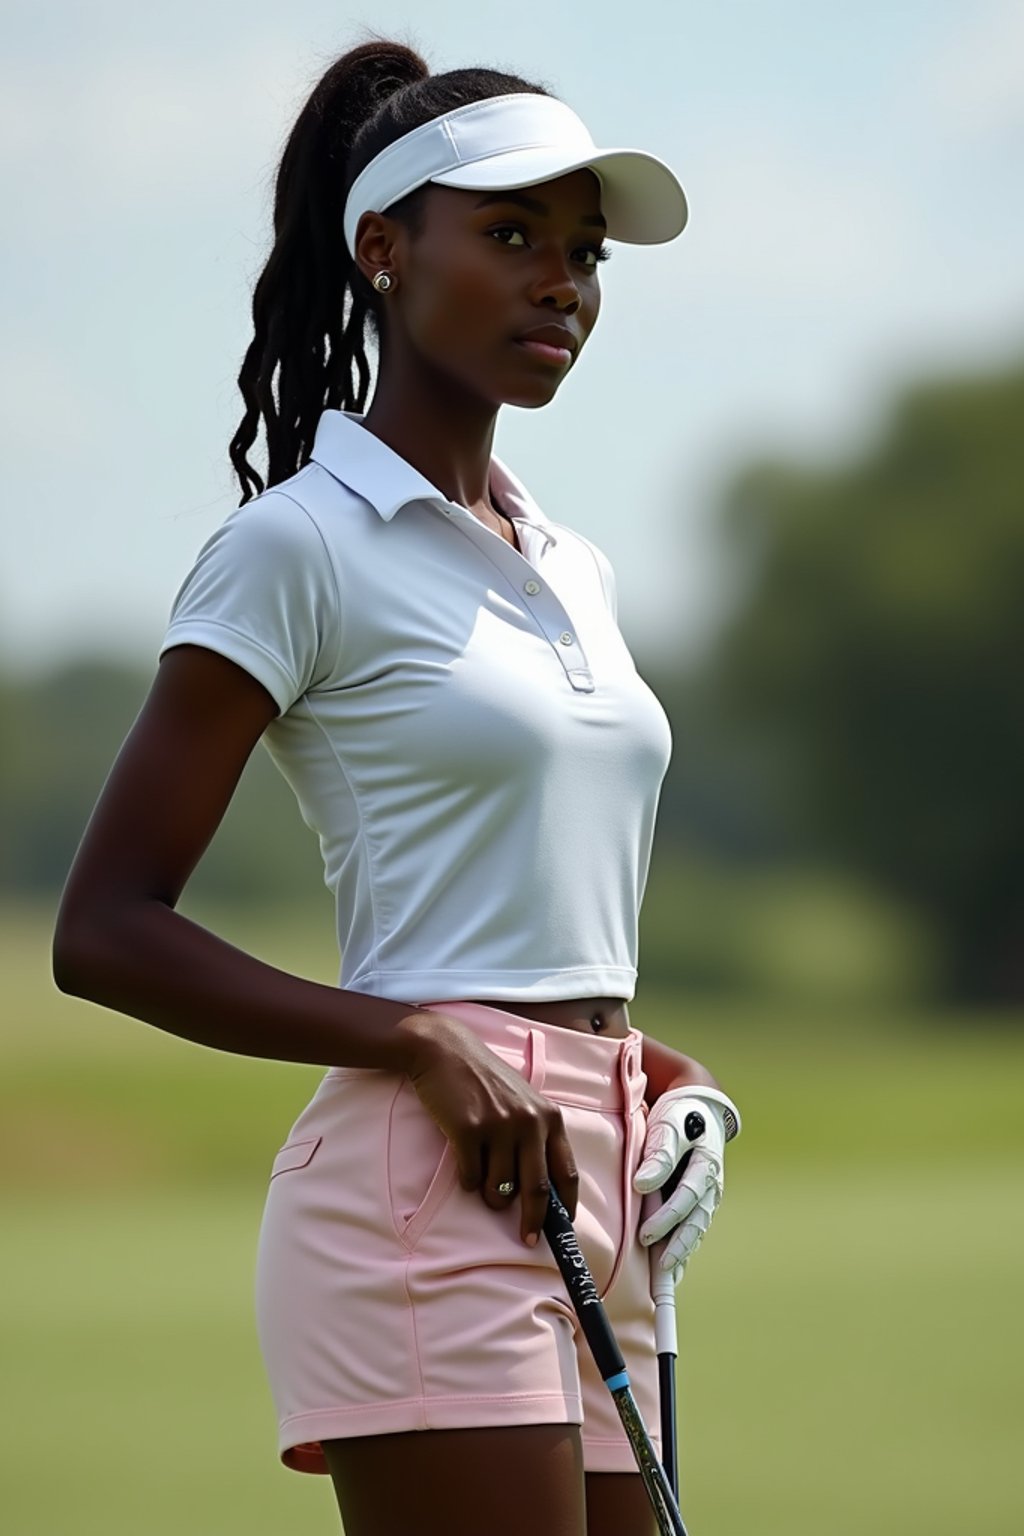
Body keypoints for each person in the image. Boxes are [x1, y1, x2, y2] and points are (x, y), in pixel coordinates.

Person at [52, 37, 742, 1536]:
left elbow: (535, 926)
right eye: (510, 238)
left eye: (582, 251)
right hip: (423, 1187)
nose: (561, 281)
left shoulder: (576, 563)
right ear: (383, 249)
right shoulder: (298, 544)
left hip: (597, 1173)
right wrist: (421, 1038)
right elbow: (103, 928)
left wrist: (648, 1071)